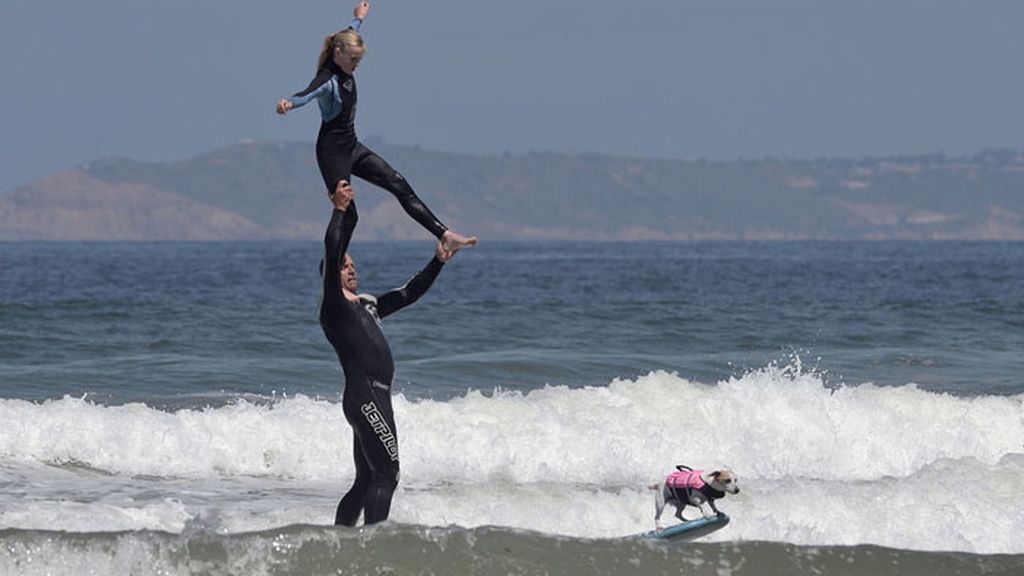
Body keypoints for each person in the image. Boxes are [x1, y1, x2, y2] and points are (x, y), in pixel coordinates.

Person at [277, 1, 476, 254]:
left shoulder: (342, 46)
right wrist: (288, 104)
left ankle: (445, 235)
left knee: (398, 183)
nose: (357, 65)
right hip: (332, 154)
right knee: (349, 214)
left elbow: (349, 33)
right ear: (339, 55)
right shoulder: (326, 80)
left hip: (352, 146)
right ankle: (334, 269)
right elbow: (305, 94)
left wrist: (359, 17)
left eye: (359, 59)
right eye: (353, 60)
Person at [320, 180, 458, 525]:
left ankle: (343, 542)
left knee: (367, 479)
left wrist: (437, 261)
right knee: (388, 475)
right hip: (365, 395)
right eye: (344, 265)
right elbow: (333, 245)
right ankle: (374, 548)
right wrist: (339, 211)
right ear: (331, 273)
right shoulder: (334, 306)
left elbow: (408, 293)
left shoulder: (368, 304)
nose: (351, 268)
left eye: (353, 264)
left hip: (374, 397)